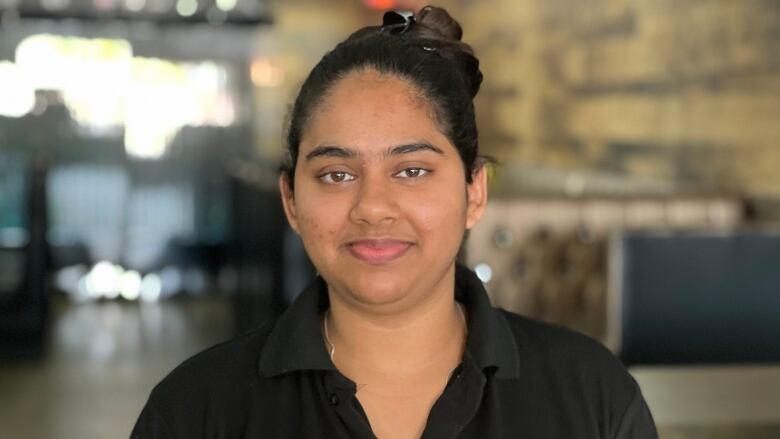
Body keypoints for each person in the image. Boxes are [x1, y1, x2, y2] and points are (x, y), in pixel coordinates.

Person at [131, 6, 657, 439]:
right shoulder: (196, 410)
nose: (373, 207)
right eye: (337, 174)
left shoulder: (591, 396)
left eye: (411, 170)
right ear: (291, 199)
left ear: (475, 192)